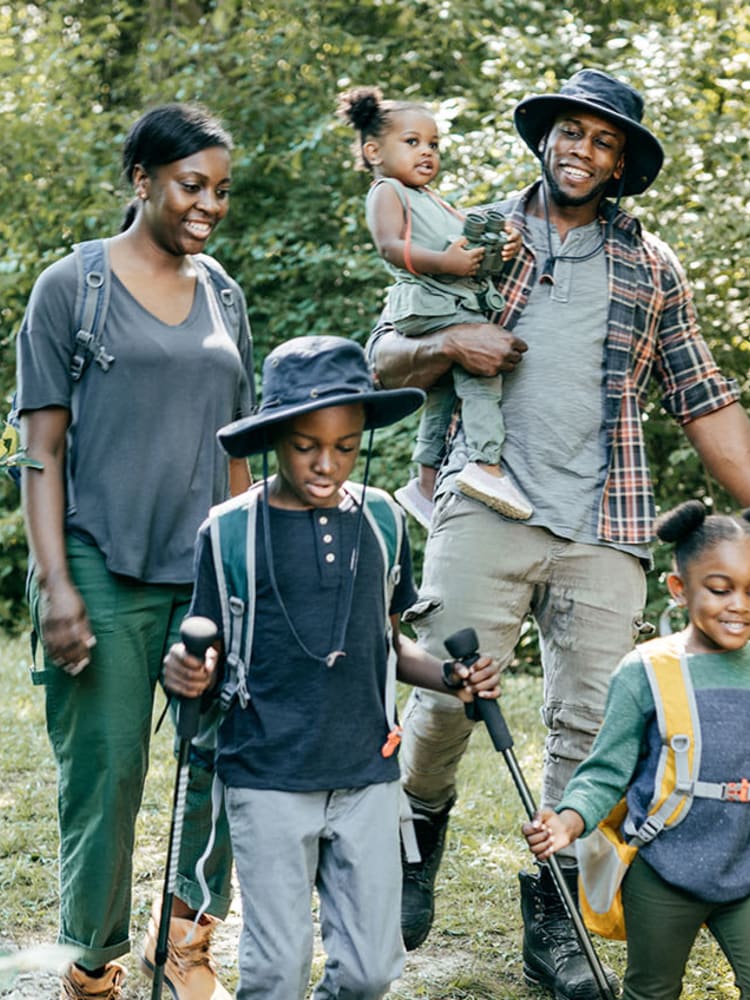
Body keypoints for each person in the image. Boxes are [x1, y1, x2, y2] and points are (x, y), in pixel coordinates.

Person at [367, 69, 750, 999]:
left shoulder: (653, 267)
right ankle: (419, 830)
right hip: (483, 503)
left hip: (605, 522)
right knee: (446, 701)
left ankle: (556, 914)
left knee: (592, 730)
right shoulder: (476, 233)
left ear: (621, 165)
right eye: (570, 132)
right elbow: (384, 357)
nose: (582, 150)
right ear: (545, 139)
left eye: (603, 142)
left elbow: (704, 400)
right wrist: (452, 346)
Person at [161, 336, 501, 1000]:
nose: (327, 463)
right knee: (275, 972)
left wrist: (452, 680)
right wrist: (188, 674)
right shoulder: (228, 532)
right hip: (268, 774)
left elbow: (391, 646)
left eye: (345, 447)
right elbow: (200, 657)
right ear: (275, 438)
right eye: (306, 446)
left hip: (367, 774)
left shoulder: (380, 521)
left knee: (373, 969)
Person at [14, 103, 251, 1000]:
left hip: (205, 577)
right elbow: (43, 450)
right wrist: (56, 584)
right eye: (193, 185)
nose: (209, 205)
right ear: (143, 180)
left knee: (222, 760)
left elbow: (238, 444)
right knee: (108, 774)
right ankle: (93, 962)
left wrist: (241, 580)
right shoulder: (73, 288)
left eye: (221, 190)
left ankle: (183, 943)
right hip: (102, 570)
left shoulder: (224, 292)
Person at [523, 501, 750, 1000]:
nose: (739, 604)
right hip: (664, 868)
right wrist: (568, 818)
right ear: (679, 589)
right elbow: (606, 770)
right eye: (720, 589)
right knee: (652, 991)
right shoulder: (646, 670)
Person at [335, 85, 530, 528]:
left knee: (441, 395)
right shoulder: (388, 191)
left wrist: (506, 244)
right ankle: (486, 464)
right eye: (412, 142)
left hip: (443, 300)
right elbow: (390, 247)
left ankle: (423, 484)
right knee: (482, 371)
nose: (427, 153)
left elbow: (470, 243)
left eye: (434, 145)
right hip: (426, 303)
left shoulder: (433, 201)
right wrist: (445, 262)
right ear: (374, 151)